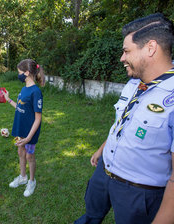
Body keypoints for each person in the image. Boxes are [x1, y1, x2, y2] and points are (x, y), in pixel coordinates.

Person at [75, 13, 174, 224]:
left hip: (138, 193)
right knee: (90, 216)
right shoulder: (134, 82)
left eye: (126, 51)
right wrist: (103, 148)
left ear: (150, 48)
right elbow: (123, 122)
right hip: (104, 171)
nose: (122, 58)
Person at [3, 59, 45, 197]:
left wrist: (28, 138)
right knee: (20, 153)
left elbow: (38, 118)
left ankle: (32, 181)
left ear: (27, 73)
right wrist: (8, 99)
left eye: (20, 72)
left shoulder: (35, 92)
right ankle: (22, 177)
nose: (19, 75)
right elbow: (20, 107)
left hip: (30, 132)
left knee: (29, 156)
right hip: (20, 128)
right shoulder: (24, 89)